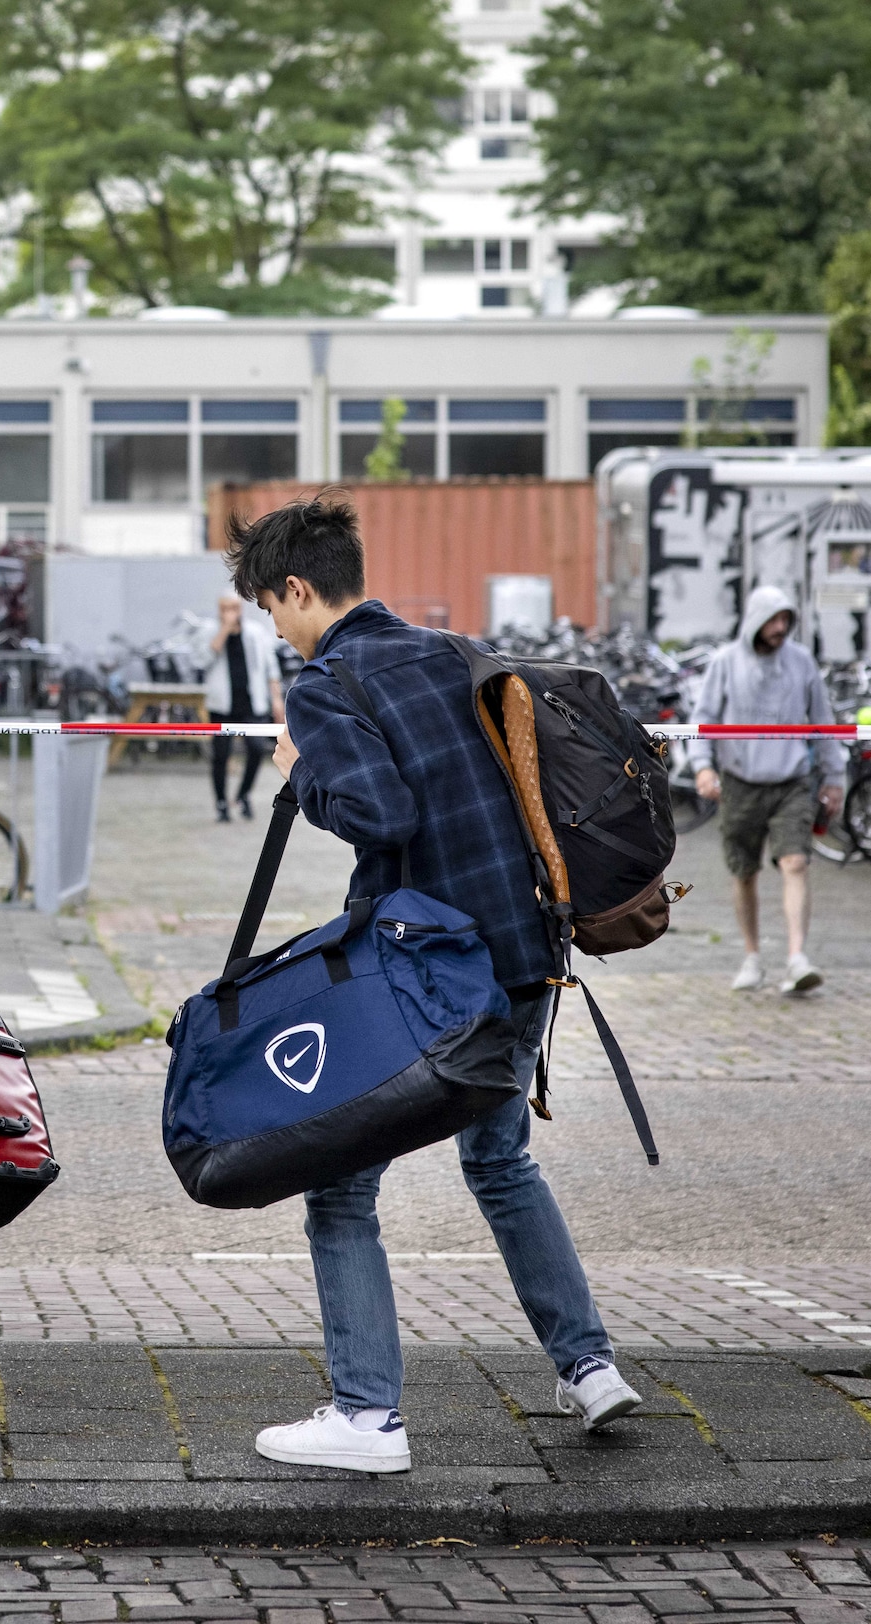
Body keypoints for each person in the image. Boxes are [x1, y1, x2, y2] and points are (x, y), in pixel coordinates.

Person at [229, 491, 645, 1474]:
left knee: (339, 1188)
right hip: (527, 948)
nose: (274, 629)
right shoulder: (455, 653)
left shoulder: (325, 685)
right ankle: (589, 1368)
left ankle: (366, 1416)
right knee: (500, 1162)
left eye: (270, 607)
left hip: (425, 973)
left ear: (298, 590)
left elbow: (379, 813)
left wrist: (300, 767)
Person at [685, 585, 844, 995]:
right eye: (772, 619)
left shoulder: (802, 662)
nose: (780, 627)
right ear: (755, 620)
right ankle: (752, 956)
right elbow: (703, 719)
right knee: (744, 872)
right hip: (740, 783)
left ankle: (797, 958)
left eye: (785, 619)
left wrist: (834, 776)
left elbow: (823, 721)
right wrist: (703, 767)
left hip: (792, 782)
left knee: (796, 862)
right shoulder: (725, 662)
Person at [204, 592, 286, 822]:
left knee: (257, 749)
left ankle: (243, 794)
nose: (230, 613)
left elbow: (271, 667)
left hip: (252, 704)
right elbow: (201, 661)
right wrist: (223, 630)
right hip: (222, 706)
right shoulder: (209, 631)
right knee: (221, 755)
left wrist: (276, 699)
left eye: (234, 608)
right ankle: (221, 802)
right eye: (225, 608)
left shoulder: (255, 632)